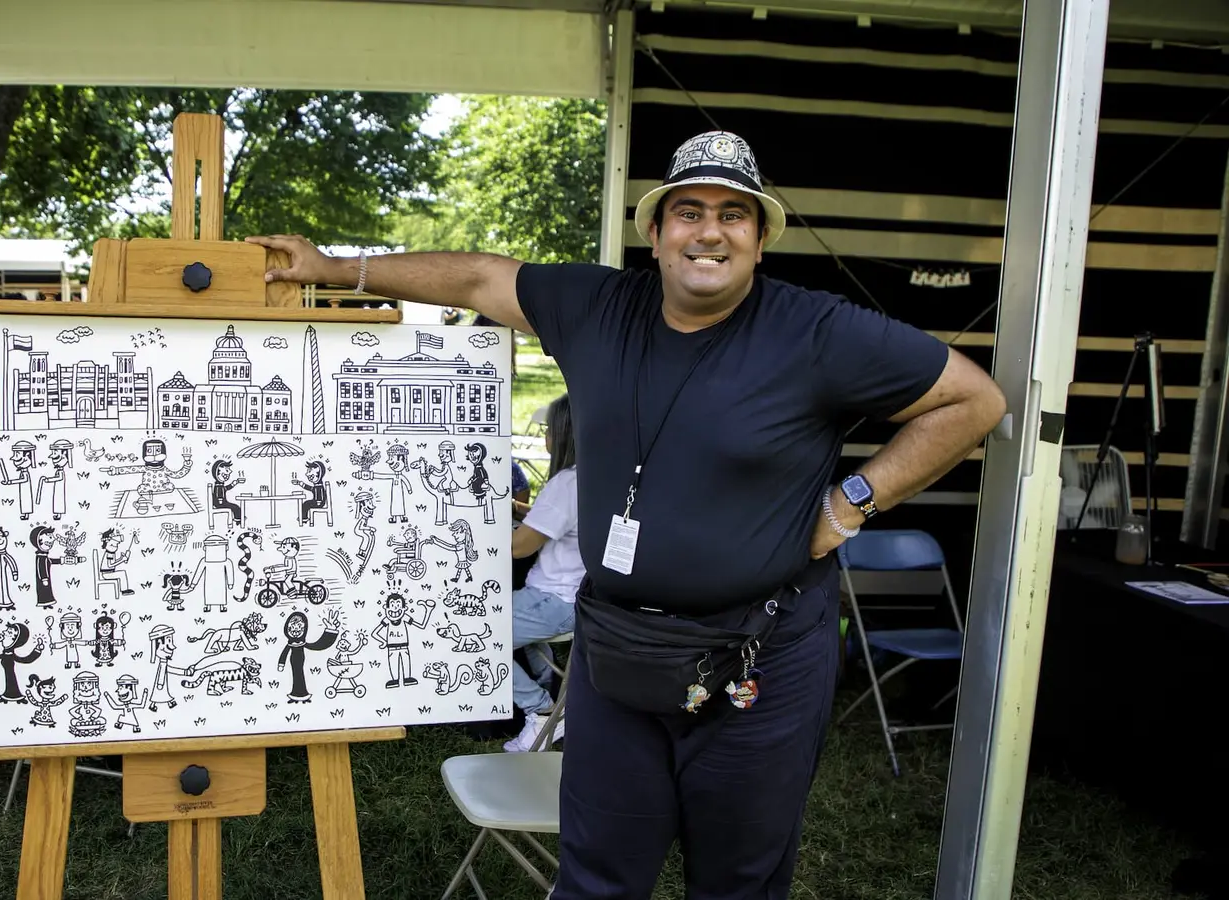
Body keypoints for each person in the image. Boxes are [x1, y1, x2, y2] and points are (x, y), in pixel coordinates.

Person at [248, 129, 1006, 900]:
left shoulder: (817, 331)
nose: (709, 231)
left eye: (733, 214)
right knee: (597, 880)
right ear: (655, 232)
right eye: (688, 210)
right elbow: (478, 278)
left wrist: (850, 505)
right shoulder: (597, 306)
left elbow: (973, 400)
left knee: (738, 884)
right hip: (616, 654)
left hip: (763, 659)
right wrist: (336, 268)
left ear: (760, 238)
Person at [505, 393, 583, 753]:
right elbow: (554, 520)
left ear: (566, 433)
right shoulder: (595, 475)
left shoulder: (566, 483)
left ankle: (541, 710)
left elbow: (520, 547)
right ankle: (550, 693)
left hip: (552, 599)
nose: (545, 438)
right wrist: (521, 509)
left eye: (550, 430)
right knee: (518, 624)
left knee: (478, 638)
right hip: (577, 598)